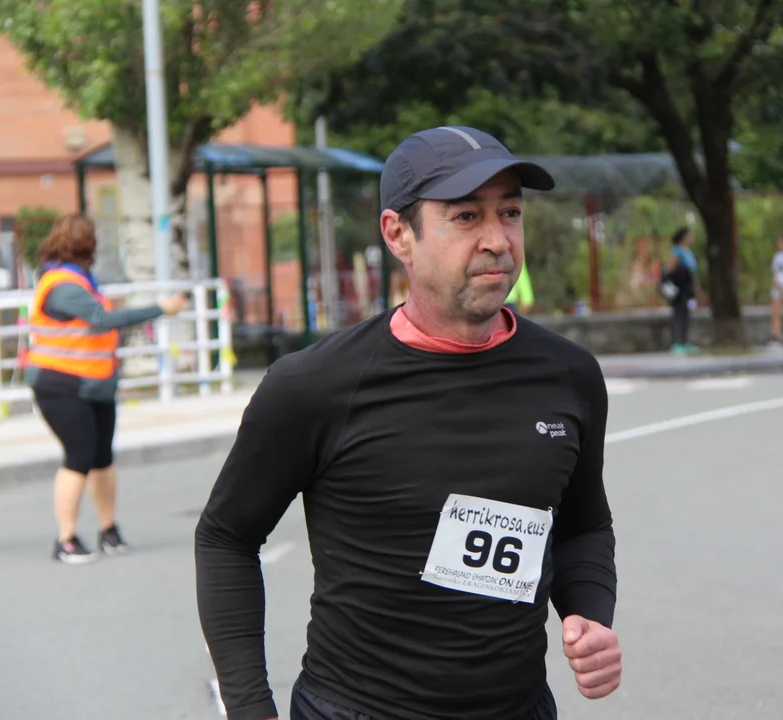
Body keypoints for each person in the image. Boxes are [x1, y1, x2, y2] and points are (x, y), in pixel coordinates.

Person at [196, 126, 620, 720]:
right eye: (466, 217)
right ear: (399, 234)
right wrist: (250, 708)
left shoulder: (568, 375)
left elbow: (583, 526)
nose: (498, 240)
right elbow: (226, 537)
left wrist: (590, 614)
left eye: (510, 212)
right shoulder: (315, 385)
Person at [27, 213, 187, 564]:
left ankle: (108, 529)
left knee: (102, 458)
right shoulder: (64, 285)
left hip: (94, 383)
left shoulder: (81, 281)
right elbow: (101, 320)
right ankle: (66, 539)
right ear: (89, 246)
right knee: (79, 456)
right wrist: (160, 309)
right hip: (62, 384)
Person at [660, 226, 698, 354]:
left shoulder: (688, 251)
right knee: (678, 314)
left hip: (687, 287)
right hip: (678, 288)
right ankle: (676, 343)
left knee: (685, 315)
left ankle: (684, 342)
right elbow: (669, 269)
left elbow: (692, 272)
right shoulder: (677, 252)